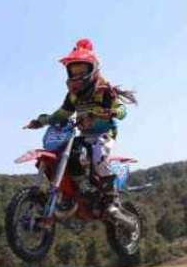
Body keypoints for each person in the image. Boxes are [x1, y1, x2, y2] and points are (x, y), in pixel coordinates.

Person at [24, 38, 137, 223]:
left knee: (98, 153)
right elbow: (62, 113)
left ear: (92, 70)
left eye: (81, 70)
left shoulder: (104, 90)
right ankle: (75, 191)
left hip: (104, 134)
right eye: (73, 70)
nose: (77, 74)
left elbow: (122, 110)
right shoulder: (73, 95)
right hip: (83, 135)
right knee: (72, 154)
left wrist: (114, 111)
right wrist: (42, 121)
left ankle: (111, 200)